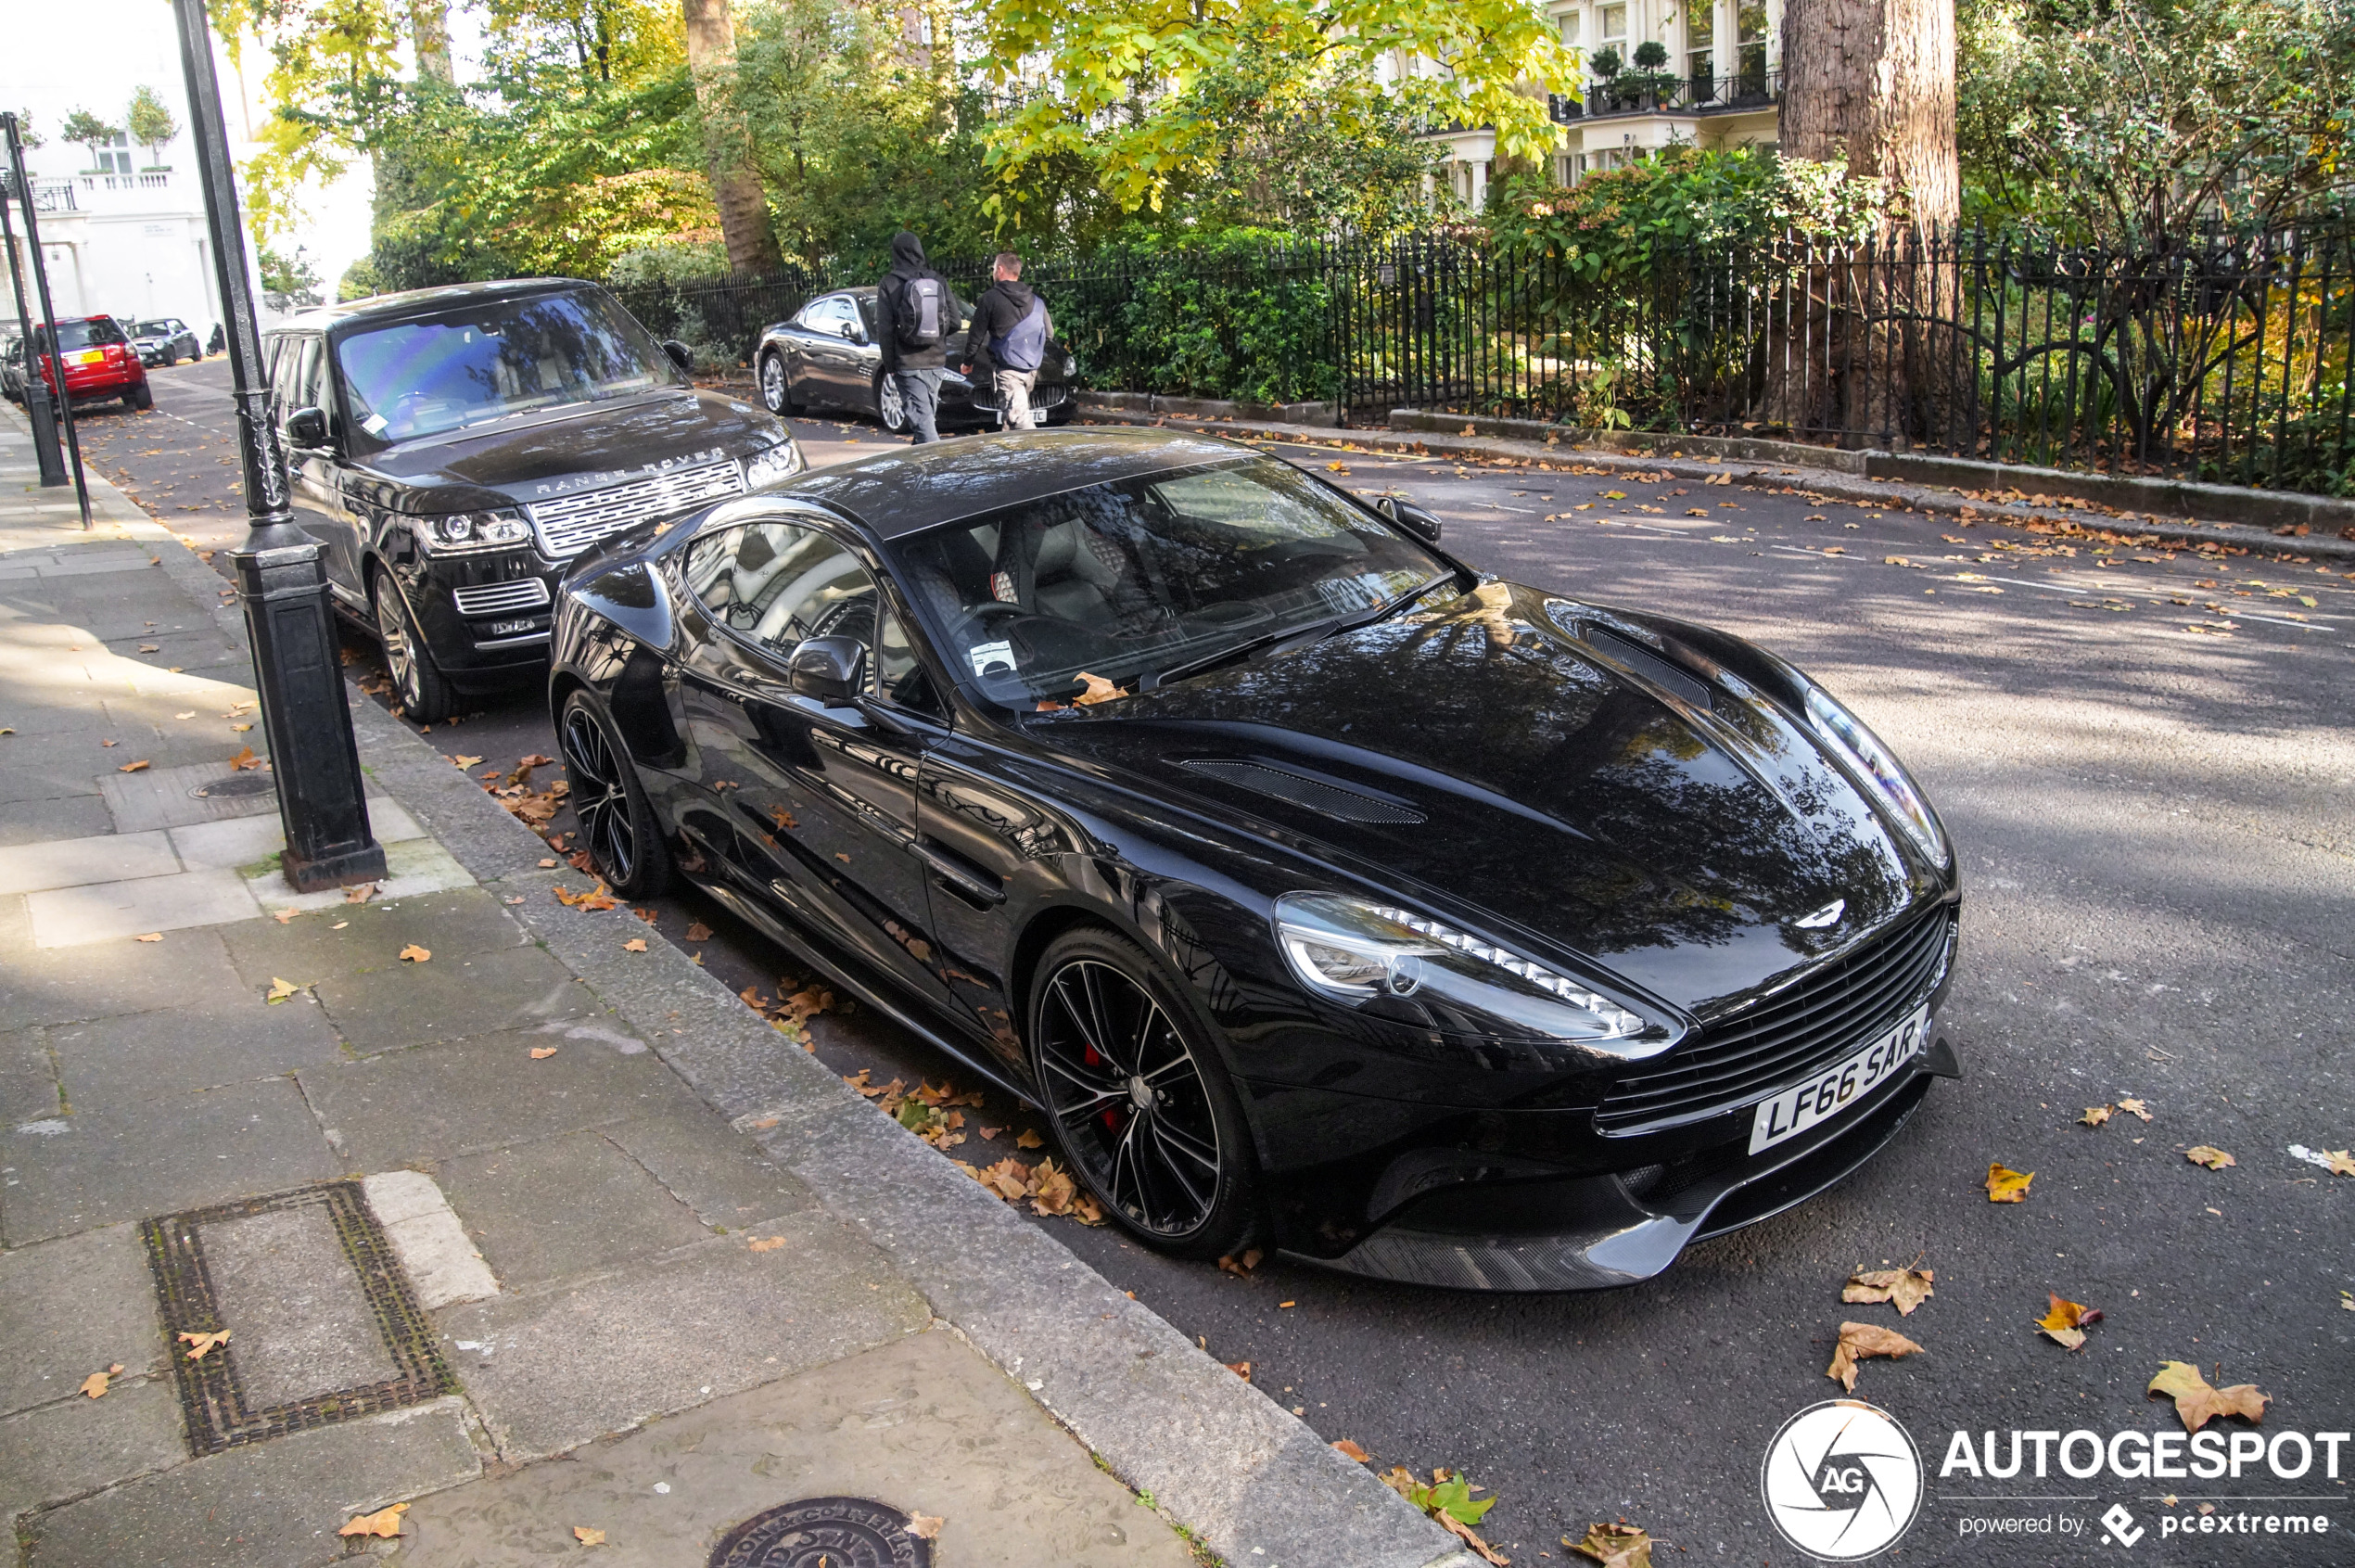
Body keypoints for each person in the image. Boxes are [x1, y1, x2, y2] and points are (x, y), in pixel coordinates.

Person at [874, 231, 961, 445]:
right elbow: (956, 322)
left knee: (924, 425)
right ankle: (916, 471)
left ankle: (939, 470)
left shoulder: (890, 283)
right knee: (924, 419)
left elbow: (884, 329)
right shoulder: (937, 280)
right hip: (936, 361)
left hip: (907, 363)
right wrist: (935, 337)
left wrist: (889, 363)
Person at [961, 251, 1052, 432]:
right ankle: (1010, 457)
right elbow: (1049, 333)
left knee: (1019, 420)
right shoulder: (1037, 301)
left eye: (994, 268)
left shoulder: (989, 299)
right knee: (1011, 418)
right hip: (1031, 369)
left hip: (1008, 371)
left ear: (1000, 270)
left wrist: (968, 362)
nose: (993, 272)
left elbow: (976, 335)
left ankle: (1041, 454)